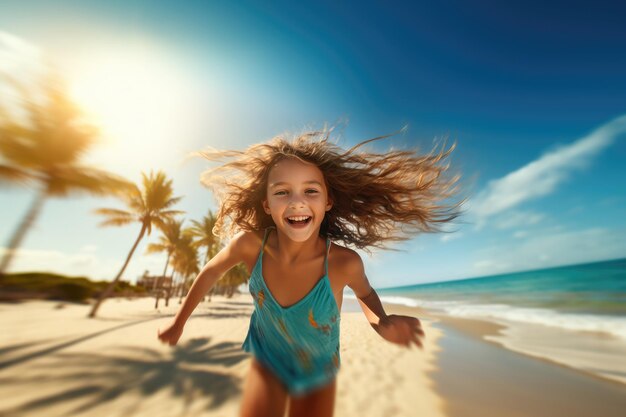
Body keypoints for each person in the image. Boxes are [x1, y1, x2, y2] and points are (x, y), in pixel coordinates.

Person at [157, 128, 464, 417]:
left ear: (327, 201)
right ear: (266, 204)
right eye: (282, 192)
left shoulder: (343, 263)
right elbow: (210, 271)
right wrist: (178, 322)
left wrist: (381, 321)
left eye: (310, 190)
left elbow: (366, 294)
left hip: (319, 371)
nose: (297, 201)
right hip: (268, 361)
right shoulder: (251, 246)